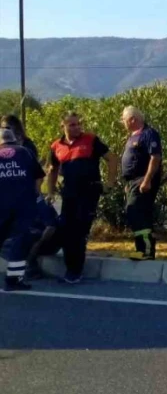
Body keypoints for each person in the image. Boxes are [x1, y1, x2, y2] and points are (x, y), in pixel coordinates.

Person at [46, 112, 115, 283]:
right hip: (69, 194)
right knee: (66, 230)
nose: (77, 127)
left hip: (89, 192)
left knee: (80, 231)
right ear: (63, 126)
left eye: (78, 124)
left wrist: (110, 183)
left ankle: (75, 271)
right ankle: (71, 269)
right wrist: (50, 192)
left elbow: (112, 159)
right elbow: (52, 170)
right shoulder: (56, 146)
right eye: (72, 125)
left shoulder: (91, 140)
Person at [1, 125, 45, 291]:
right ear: (14, 139)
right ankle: (13, 281)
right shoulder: (25, 153)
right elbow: (38, 178)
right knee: (20, 243)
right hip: (23, 207)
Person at [120, 106, 162, 261]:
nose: (123, 122)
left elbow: (155, 157)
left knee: (139, 214)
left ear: (132, 119)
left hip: (142, 181)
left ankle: (146, 251)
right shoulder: (133, 136)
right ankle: (140, 250)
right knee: (134, 214)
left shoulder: (148, 134)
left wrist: (147, 180)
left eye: (123, 119)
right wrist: (128, 183)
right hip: (133, 182)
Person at [23, 196, 60, 280]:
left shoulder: (42, 204)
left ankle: (32, 268)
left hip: (50, 243)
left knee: (30, 237)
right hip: (37, 238)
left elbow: (51, 228)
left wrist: (39, 243)